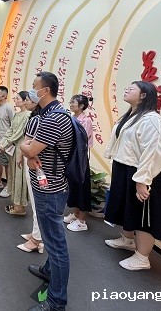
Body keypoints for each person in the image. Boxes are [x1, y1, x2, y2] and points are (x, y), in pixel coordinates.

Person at [104, 81, 161, 270]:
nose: (126, 89)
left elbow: (153, 152)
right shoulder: (131, 115)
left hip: (144, 173)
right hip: (127, 169)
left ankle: (142, 257)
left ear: (144, 95)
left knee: (144, 216)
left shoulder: (151, 120)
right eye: (127, 87)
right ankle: (127, 240)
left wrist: (143, 180)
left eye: (132, 88)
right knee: (129, 209)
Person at [21, 72, 73, 311]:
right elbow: (31, 147)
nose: (32, 91)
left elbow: (30, 149)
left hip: (50, 188)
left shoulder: (54, 119)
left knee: (56, 244)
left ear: (46, 90)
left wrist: (26, 149)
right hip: (49, 185)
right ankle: (49, 270)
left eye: (35, 87)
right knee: (51, 237)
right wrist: (29, 149)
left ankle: (56, 302)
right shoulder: (50, 114)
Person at [64, 94, 94, 232]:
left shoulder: (86, 121)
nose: (71, 104)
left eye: (73, 102)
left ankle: (82, 220)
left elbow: (82, 141)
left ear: (82, 106)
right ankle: (75, 214)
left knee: (82, 188)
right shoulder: (72, 118)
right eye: (70, 102)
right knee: (74, 186)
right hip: (71, 156)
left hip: (80, 158)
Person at [0, 91, 31, 215]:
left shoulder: (28, 115)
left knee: (20, 176)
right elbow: (11, 130)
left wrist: (6, 143)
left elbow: (18, 133)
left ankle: (20, 206)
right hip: (14, 147)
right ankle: (17, 203)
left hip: (21, 148)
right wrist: (3, 142)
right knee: (14, 174)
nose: (15, 100)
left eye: (18, 98)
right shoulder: (17, 114)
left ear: (24, 101)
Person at [18, 95, 43, 253]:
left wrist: (20, 154)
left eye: (27, 99)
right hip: (39, 165)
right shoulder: (40, 118)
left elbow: (27, 144)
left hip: (35, 164)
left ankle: (37, 240)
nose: (25, 101)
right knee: (37, 202)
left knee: (37, 202)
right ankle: (36, 234)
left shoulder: (36, 120)